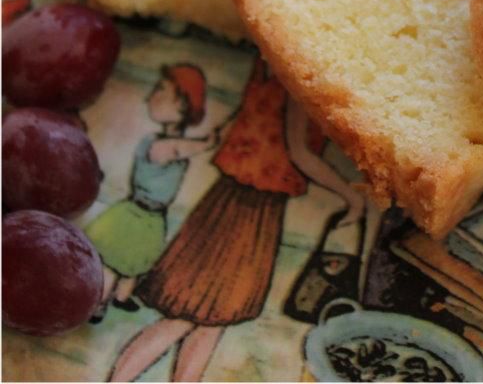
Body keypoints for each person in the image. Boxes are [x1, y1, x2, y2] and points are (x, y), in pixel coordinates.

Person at [110, 57, 364, 383]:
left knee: (212, 319)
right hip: (248, 211)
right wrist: (349, 194)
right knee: (187, 316)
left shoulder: (269, 60)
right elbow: (299, 152)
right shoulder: (302, 74)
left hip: (235, 202)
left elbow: (230, 125)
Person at [86, 65, 215, 317]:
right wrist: (207, 143)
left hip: (154, 218)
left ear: (182, 103)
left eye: (160, 90)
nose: (149, 97)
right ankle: (96, 305)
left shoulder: (176, 144)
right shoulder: (157, 145)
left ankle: (122, 297)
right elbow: (173, 150)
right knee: (114, 262)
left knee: (135, 263)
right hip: (134, 214)